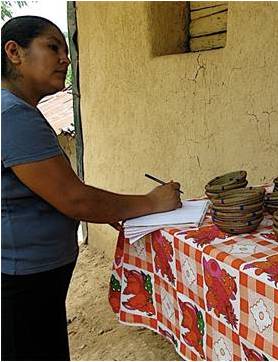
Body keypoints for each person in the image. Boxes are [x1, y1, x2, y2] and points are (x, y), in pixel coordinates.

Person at [1, 15, 182, 361]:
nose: (65, 59)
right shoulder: (12, 115)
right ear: (14, 52)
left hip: (30, 275)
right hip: (24, 280)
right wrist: (151, 202)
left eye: (67, 51)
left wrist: (116, 208)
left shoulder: (15, 111)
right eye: (52, 47)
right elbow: (74, 198)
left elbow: (56, 190)